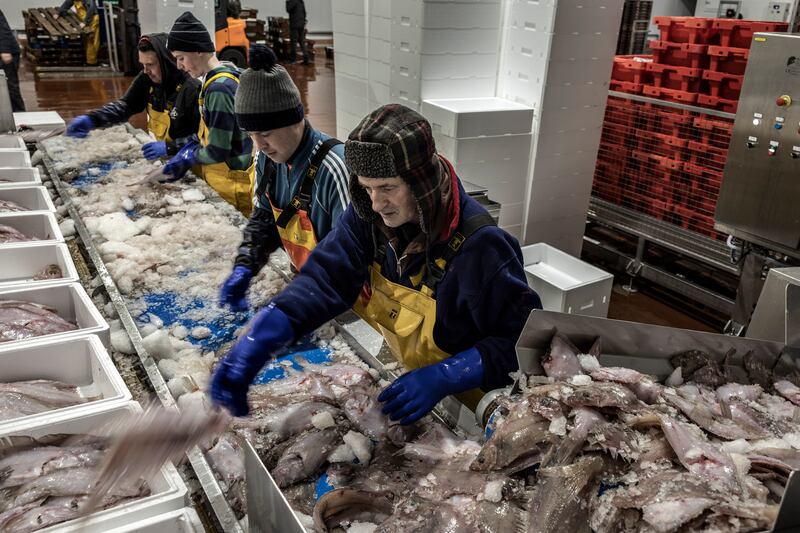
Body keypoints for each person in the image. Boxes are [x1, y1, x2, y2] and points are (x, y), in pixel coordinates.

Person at [210, 104, 543, 423]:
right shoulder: (368, 215)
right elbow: (326, 277)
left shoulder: (480, 246)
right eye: (367, 188)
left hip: (479, 404)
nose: (377, 202)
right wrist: (265, 334)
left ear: (421, 181)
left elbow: (522, 342)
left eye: (388, 188)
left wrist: (446, 376)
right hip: (415, 391)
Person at [219, 44, 349, 312]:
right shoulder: (268, 159)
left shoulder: (334, 167)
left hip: (343, 301)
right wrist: (246, 264)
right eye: (251, 134)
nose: (259, 144)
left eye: (265, 133)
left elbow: (347, 258)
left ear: (295, 119)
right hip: (307, 287)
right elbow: (265, 219)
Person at [164, 11, 255, 217]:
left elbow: (217, 151)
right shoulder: (227, 73)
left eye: (181, 58)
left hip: (231, 185)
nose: (179, 66)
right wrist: (180, 147)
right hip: (231, 178)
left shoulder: (219, 89)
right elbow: (210, 133)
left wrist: (187, 159)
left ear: (198, 51)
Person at [65, 33, 201, 162]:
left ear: (167, 62)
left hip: (195, 164)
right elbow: (126, 106)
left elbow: (207, 139)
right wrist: (93, 119)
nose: (146, 71)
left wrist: (171, 147)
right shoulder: (147, 79)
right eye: (143, 65)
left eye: (150, 64)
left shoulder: (192, 90)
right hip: (170, 162)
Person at [57, 0, 100, 66]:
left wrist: (85, 22)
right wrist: (59, 13)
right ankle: (89, 59)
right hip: (82, 20)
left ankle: (92, 62)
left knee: (91, 40)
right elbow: (66, 4)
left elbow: (91, 9)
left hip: (92, 19)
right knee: (85, 40)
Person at [0, 9, 24, 112]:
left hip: (6, 53)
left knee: (10, 89)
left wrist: (5, 50)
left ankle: (20, 117)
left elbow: (2, 29)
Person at [285, 0, 309, 65]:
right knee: (302, 42)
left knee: (293, 42)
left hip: (294, 24)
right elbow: (304, 13)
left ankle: (293, 60)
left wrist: (287, 1)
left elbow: (288, 9)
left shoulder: (292, 1)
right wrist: (303, 22)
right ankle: (306, 59)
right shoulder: (301, 1)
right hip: (301, 24)